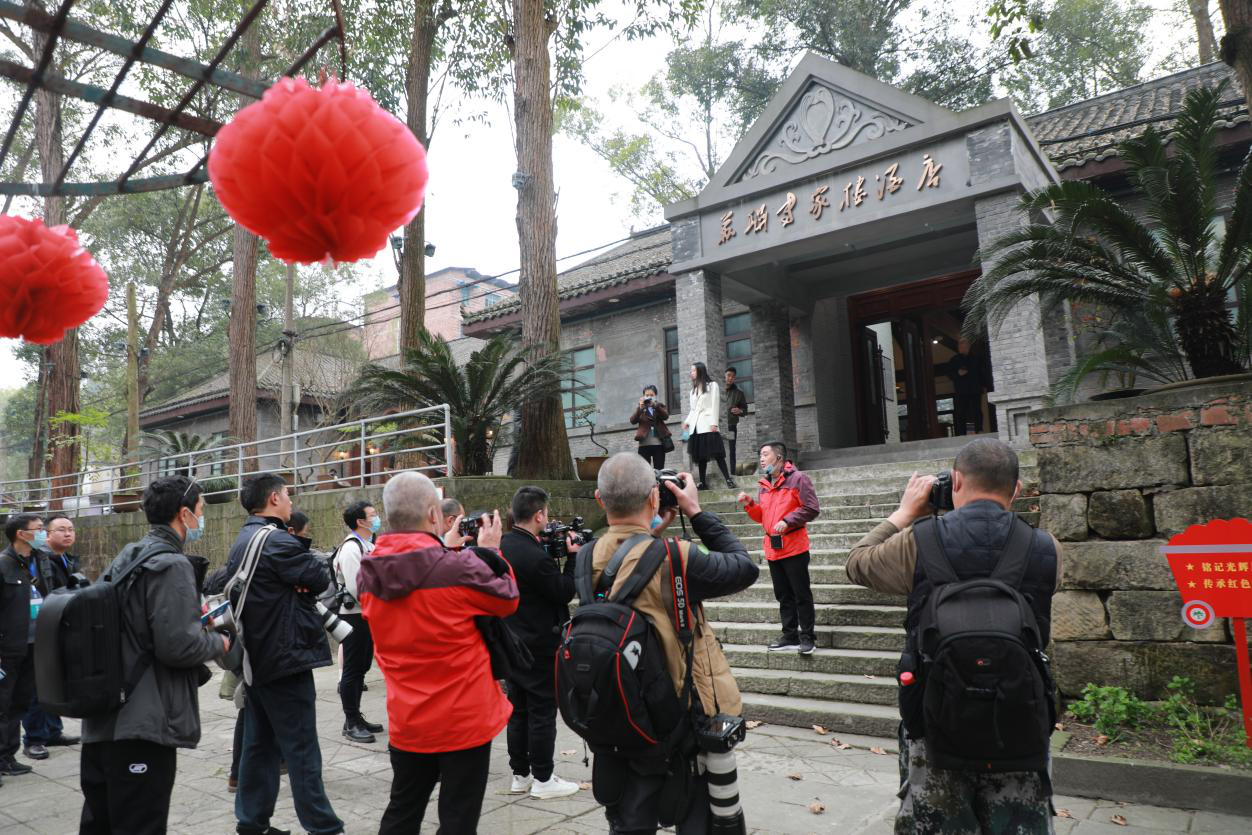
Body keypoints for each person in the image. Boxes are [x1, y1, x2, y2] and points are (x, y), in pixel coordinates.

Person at [844, 438, 1061, 834]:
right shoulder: (1046, 548)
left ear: (955, 481)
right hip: (1020, 724)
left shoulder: (918, 541)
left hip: (935, 722)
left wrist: (905, 512)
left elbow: (858, 564)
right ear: (1016, 489)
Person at [588, 452, 758, 834]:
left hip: (619, 712)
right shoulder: (675, 556)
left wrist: (650, 534)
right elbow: (744, 567)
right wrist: (695, 511)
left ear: (600, 500)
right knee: (696, 815)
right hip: (678, 718)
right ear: (654, 497)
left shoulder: (585, 556)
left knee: (629, 820)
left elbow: (626, 570)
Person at [356, 471, 518, 834]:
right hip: (464, 718)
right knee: (458, 819)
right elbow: (507, 598)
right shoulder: (458, 568)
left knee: (402, 811)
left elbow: (414, 572)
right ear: (434, 514)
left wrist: (445, 549)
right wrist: (490, 552)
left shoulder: (368, 574)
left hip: (408, 717)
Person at [79, 476, 229, 834]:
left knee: (100, 824)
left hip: (104, 718)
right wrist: (219, 643)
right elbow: (179, 646)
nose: (202, 517)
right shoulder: (171, 564)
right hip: (142, 726)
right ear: (184, 514)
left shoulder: (131, 555)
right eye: (200, 509)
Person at [226, 473, 343, 835]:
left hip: (258, 658)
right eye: (288, 495)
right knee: (301, 747)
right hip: (285, 658)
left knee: (259, 745)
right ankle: (323, 827)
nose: (292, 501)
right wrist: (302, 577)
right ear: (274, 498)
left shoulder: (244, 539)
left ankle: (252, 822)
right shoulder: (277, 541)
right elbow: (320, 577)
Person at [498, 486, 581, 800]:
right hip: (539, 644)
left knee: (518, 710)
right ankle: (544, 779)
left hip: (513, 641)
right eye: (546, 514)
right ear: (538, 515)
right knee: (543, 711)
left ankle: (520, 775)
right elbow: (563, 590)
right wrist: (572, 558)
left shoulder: (505, 544)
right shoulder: (533, 555)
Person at [737, 442, 821, 655]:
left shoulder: (798, 479)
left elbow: (811, 508)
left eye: (765, 454)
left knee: (801, 594)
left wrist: (788, 520)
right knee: (783, 595)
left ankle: (807, 637)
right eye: (760, 455)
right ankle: (790, 635)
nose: (761, 458)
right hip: (773, 548)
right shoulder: (765, 484)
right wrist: (750, 504)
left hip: (794, 546)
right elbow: (763, 517)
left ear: (779, 457)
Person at [0, 513, 59, 779]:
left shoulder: (40, 560)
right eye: (39, 529)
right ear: (22, 534)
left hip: (33, 645)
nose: (44, 533)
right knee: (2, 704)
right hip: (8, 649)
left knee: (19, 703)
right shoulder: (4, 565)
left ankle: (7, 756)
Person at [21, 514, 81, 760]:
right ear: (47, 535)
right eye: (61, 529)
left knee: (53, 681)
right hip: (38, 631)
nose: (68, 534)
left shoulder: (64, 558)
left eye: (71, 529)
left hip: (58, 628)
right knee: (36, 686)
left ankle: (53, 731)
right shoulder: (36, 560)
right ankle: (34, 739)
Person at [333, 500, 384, 744]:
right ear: (360, 522)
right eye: (373, 515)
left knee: (361, 667)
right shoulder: (351, 548)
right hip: (354, 615)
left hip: (366, 614)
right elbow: (357, 588)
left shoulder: (367, 544)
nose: (377, 518)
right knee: (352, 669)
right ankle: (351, 721)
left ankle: (356, 717)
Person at [683, 362, 735, 490]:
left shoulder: (712, 385)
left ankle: (728, 479)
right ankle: (702, 482)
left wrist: (714, 423)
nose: (691, 373)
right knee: (701, 457)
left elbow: (715, 405)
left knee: (718, 453)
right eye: (691, 371)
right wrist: (687, 422)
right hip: (696, 427)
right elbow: (693, 410)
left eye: (693, 370)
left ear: (700, 371)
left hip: (708, 424)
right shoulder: (692, 391)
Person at [946, 338, 986, 436]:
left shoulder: (976, 359)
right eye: (959, 345)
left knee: (977, 410)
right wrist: (958, 373)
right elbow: (949, 374)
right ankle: (962, 432)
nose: (961, 347)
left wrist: (984, 385)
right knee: (961, 411)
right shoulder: (954, 360)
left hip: (975, 388)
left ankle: (979, 429)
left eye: (963, 345)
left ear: (968, 346)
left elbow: (982, 373)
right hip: (961, 390)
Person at [630, 385, 671, 470]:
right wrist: (640, 409)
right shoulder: (640, 408)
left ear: (655, 396)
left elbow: (666, 416)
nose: (649, 397)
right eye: (647, 395)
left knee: (659, 470)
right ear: (643, 396)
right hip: (644, 444)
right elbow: (632, 421)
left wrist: (655, 406)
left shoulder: (659, 406)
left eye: (651, 395)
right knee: (645, 471)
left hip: (658, 444)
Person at [723, 367, 748, 474]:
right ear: (724, 376)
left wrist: (740, 411)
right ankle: (722, 473)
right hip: (717, 426)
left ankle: (732, 474)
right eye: (728, 375)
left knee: (731, 450)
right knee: (718, 450)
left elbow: (745, 410)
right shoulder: (717, 390)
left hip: (731, 425)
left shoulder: (739, 393)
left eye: (733, 376)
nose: (730, 378)